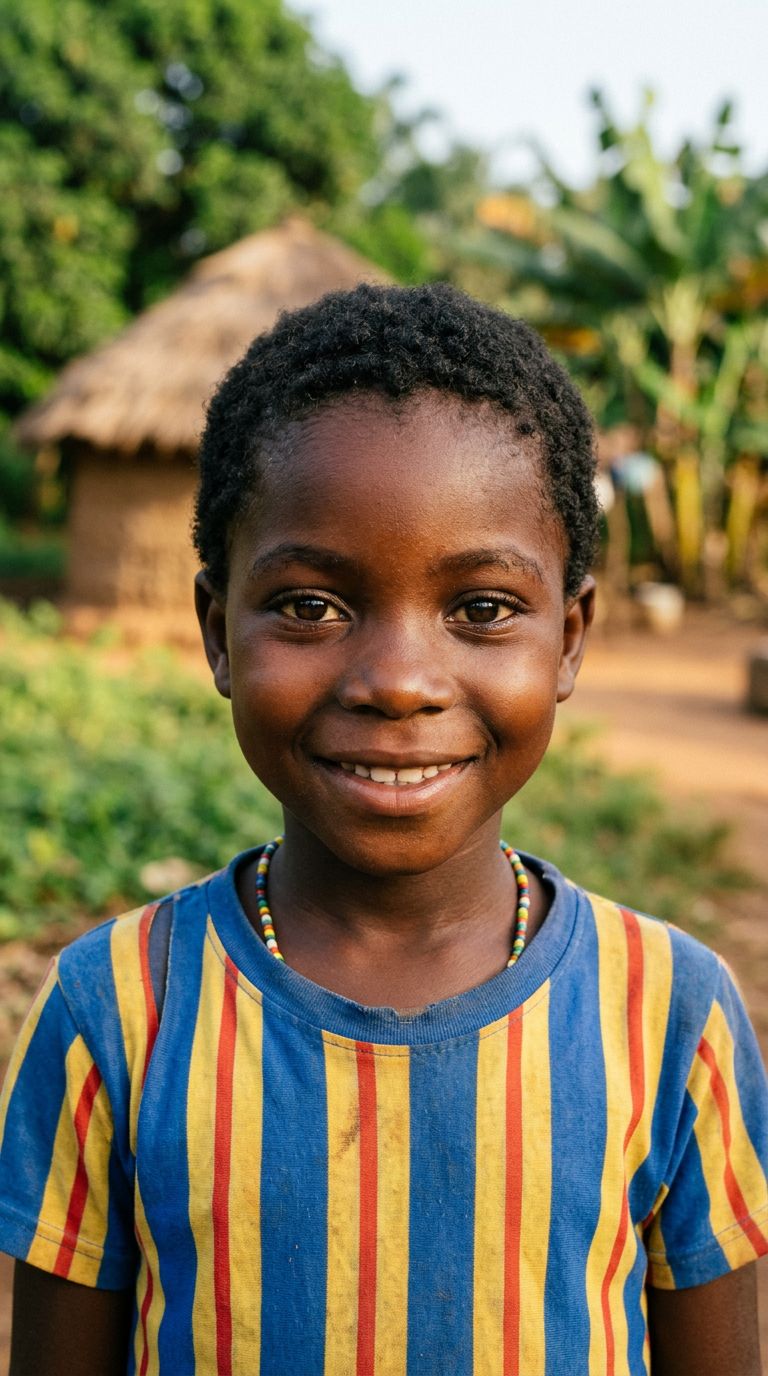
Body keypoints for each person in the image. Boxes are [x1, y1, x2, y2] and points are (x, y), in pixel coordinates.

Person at [0, 284, 766, 1376]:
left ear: (571, 636)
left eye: (483, 609)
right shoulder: (113, 1010)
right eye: (311, 604)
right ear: (218, 630)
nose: (400, 681)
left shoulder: (671, 1015)